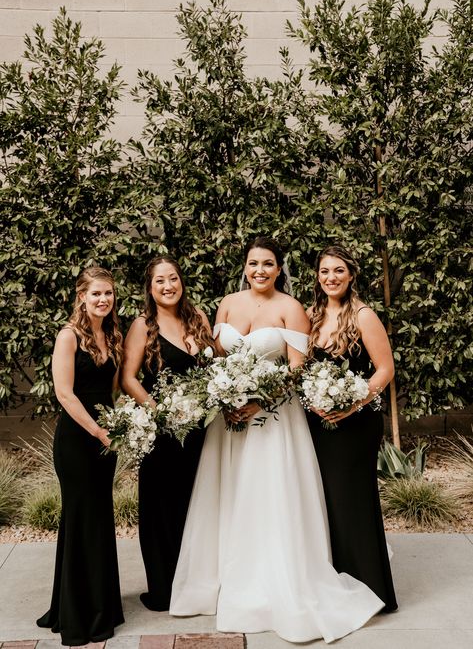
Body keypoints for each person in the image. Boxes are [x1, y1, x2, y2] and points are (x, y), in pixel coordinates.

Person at [170, 236, 385, 644]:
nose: (260, 271)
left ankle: (271, 580)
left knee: (267, 496)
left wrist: (258, 401)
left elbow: (297, 371)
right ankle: (220, 577)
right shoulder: (228, 304)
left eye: (268, 264)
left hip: (272, 419)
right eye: (254, 263)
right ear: (245, 266)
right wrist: (224, 392)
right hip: (230, 421)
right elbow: (218, 357)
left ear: (279, 268)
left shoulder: (292, 309)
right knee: (229, 494)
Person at [305, 244, 398, 613]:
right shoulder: (310, 316)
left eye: (338, 271)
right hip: (318, 423)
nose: (331, 277)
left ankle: (372, 589)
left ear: (351, 275)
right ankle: (335, 582)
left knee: (352, 502)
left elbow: (385, 369)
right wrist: (311, 399)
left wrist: (353, 402)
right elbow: (300, 368)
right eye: (325, 271)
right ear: (318, 276)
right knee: (325, 502)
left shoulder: (363, 315)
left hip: (355, 425)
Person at [120, 255, 214, 612]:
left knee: (196, 505)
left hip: (200, 431)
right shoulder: (143, 325)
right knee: (162, 509)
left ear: (181, 282)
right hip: (161, 434)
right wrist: (161, 413)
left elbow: (213, 367)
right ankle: (163, 587)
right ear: (150, 288)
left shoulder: (199, 318)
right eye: (160, 281)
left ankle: (197, 582)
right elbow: (128, 378)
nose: (168, 286)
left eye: (173, 278)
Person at [37, 267, 124, 646]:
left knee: (98, 519)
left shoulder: (113, 335)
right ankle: (78, 614)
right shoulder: (68, 336)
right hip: (78, 440)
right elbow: (65, 394)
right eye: (96, 294)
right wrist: (100, 431)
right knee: (80, 518)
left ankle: (98, 602)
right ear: (81, 297)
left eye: (108, 294)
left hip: (107, 441)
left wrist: (124, 425)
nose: (103, 300)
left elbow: (115, 389)